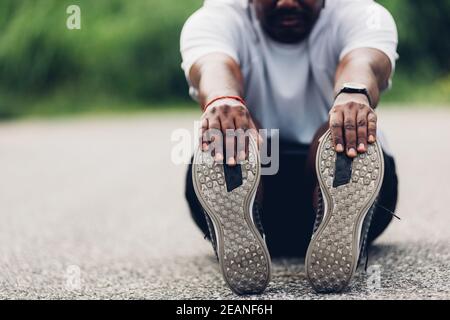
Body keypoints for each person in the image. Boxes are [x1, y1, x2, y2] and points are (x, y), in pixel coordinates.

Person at [180, 0, 399, 294]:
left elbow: (365, 62)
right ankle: (241, 226)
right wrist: (223, 100)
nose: (286, 2)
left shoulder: (362, 13)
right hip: (255, 188)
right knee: (235, 128)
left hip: (353, 187)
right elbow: (215, 66)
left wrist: (353, 95)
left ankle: (335, 215)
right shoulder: (215, 18)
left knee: (338, 129)